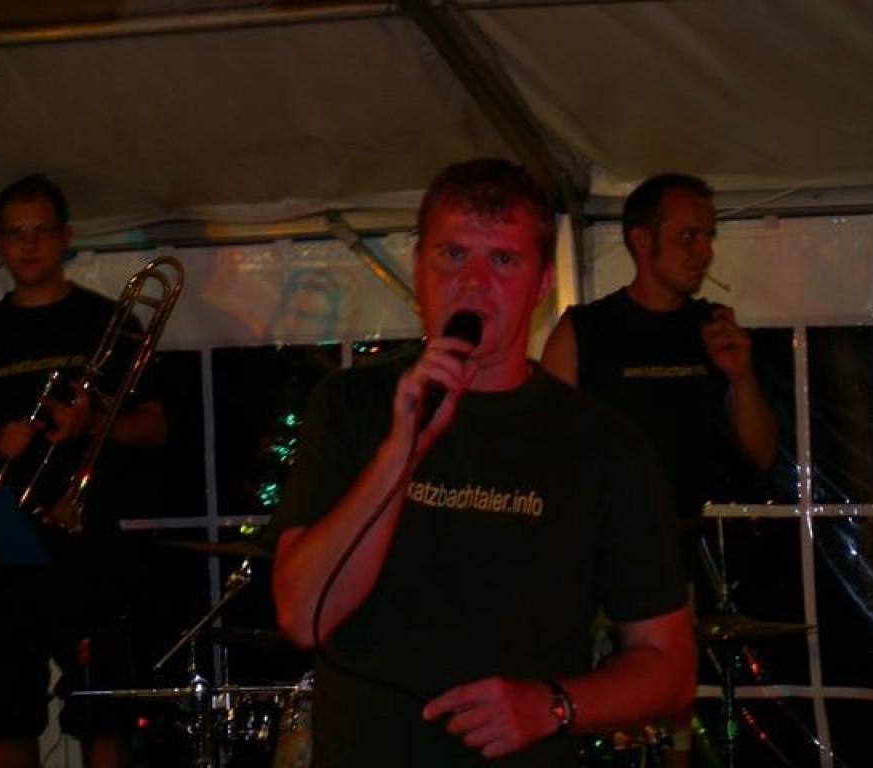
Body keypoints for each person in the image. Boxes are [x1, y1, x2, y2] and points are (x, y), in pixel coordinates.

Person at [267, 158, 696, 767]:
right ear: (418, 265)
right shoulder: (351, 405)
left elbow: (669, 670)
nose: (473, 283)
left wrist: (550, 706)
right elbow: (303, 616)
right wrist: (400, 451)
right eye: (452, 255)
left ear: (542, 284)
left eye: (503, 260)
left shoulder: (603, 444)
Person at [541, 172, 778, 764]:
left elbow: (762, 453)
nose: (704, 252)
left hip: (673, 559)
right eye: (688, 236)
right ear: (641, 241)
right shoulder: (584, 329)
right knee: (590, 719)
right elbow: (540, 455)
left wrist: (741, 375)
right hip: (590, 561)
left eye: (709, 236)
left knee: (671, 730)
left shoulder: (711, 329)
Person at [0, 173, 168, 768]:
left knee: (104, 711)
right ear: (1, 242)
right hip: (5, 543)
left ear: (66, 236)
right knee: (9, 713)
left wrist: (92, 425)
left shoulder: (106, 319)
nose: (29, 244)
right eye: (16, 233)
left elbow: (154, 427)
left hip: (89, 541)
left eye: (41, 230)